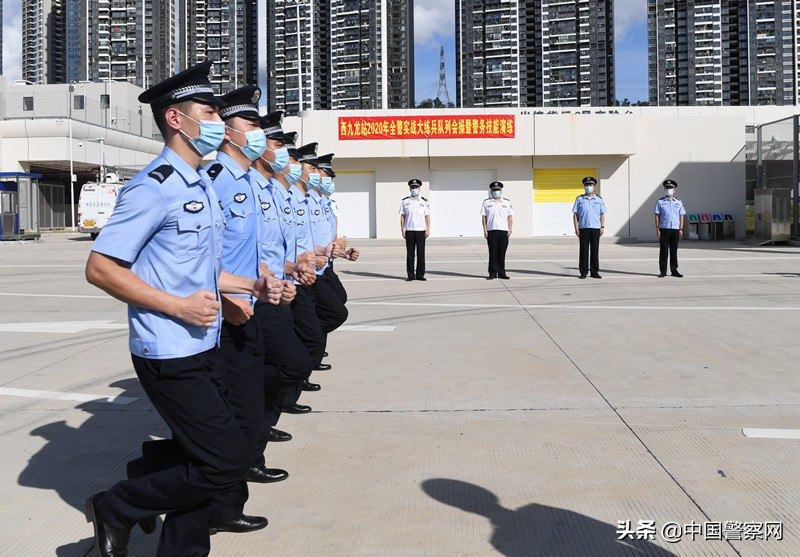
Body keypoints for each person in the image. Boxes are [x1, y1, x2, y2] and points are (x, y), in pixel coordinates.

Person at [82, 61, 283, 557]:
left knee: (204, 457)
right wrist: (177, 306)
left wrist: (252, 285)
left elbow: (201, 271)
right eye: (209, 113)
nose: (218, 122)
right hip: (168, 349)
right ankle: (118, 506)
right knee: (225, 461)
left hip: (205, 343)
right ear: (176, 119)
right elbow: (101, 268)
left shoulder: (199, 186)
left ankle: (174, 529)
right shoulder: (153, 187)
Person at [204, 85, 289, 535]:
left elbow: (250, 249)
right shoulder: (216, 177)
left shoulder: (244, 182)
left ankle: (218, 497)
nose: (259, 132)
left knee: (246, 412)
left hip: (250, 305)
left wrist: (269, 280)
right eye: (252, 124)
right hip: (223, 314)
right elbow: (199, 254)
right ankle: (221, 507)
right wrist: (227, 300)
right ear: (228, 132)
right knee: (236, 417)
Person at [572, 176, 606, 279]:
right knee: (583, 251)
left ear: (594, 186)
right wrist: (576, 228)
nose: (588, 186)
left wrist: (602, 227)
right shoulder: (579, 199)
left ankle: (594, 272)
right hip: (583, 228)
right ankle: (583, 272)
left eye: (590, 185)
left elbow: (602, 214)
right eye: (586, 185)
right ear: (584, 186)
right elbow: (575, 214)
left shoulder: (599, 199)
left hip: (595, 228)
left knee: (595, 251)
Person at [481, 181, 514, 280]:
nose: (496, 192)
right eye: (494, 190)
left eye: (498, 190)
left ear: (501, 191)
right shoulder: (487, 202)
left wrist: (510, 229)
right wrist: (485, 230)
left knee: (502, 253)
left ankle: (502, 273)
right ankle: (492, 273)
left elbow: (510, 217)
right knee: (492, 253)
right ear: (491, 192)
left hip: (503, 231)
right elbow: (484, 217)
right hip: (491, 231)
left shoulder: (507, 202)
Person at [399, 179, 430, 281]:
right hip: (409, 230)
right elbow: (402, 216)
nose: (414, 189)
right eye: (412, 187)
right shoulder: (405, 201)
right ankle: (411, 275)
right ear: (409, 188)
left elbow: (427, 216)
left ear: (419, 188)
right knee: (410, 254)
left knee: (421, 254)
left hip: (421, 230)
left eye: (416, 187)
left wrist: (428, 229)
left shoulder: (424, 202)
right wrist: (402, 229)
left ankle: (420, 275)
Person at [654, 179, 686, 278]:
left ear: (674, 189)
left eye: (670, 188)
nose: (669, 190)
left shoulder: (679, 202)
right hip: (664, 229)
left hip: (675, 229)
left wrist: (681, 229)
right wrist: (657, 229)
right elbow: (657, 216)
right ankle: (663, 271)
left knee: (674, 250)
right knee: (663, 250)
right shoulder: (660, 202)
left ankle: (674, 270)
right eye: (667, 188)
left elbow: (681, 216)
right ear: (664, 189)